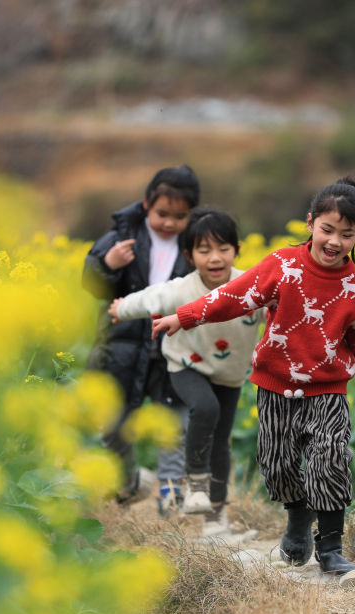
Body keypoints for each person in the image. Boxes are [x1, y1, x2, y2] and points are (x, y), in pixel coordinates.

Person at [152, 177, 355, 574]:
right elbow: (232, 296)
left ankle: (331, 547)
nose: (335, 241)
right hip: (275, 386)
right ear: (310, 223)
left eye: (347, 234)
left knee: (330, 458)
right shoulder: (283, 265)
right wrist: (183, 317)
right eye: (327, 230)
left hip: (327, 390)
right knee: (278, 465)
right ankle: (298, 516)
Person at [108, 208, 264, 536]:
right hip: (186, 365)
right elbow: (149, 298)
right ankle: (194, 484)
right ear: (189, 256)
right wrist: (121, 309)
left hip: (230, 372)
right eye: (204, 250)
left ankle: (215, 520)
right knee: (205, 408)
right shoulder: (181, 289)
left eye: (223, 248)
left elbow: (283, 307)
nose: (215, 258)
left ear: (237, 250)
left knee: (221, 442)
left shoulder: (252, 287)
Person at [82, 164, 200, 510]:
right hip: (123, 349)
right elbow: (90, 283)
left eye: (179, 217)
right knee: (113, 425)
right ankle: (127, 483)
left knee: (173, 430)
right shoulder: (122, 236)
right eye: (162, 213)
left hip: (172, 349)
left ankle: (169, 501)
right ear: (147, 204)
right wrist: (108, 264)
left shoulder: (195, 244)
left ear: (190, 215)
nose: (169, 223)